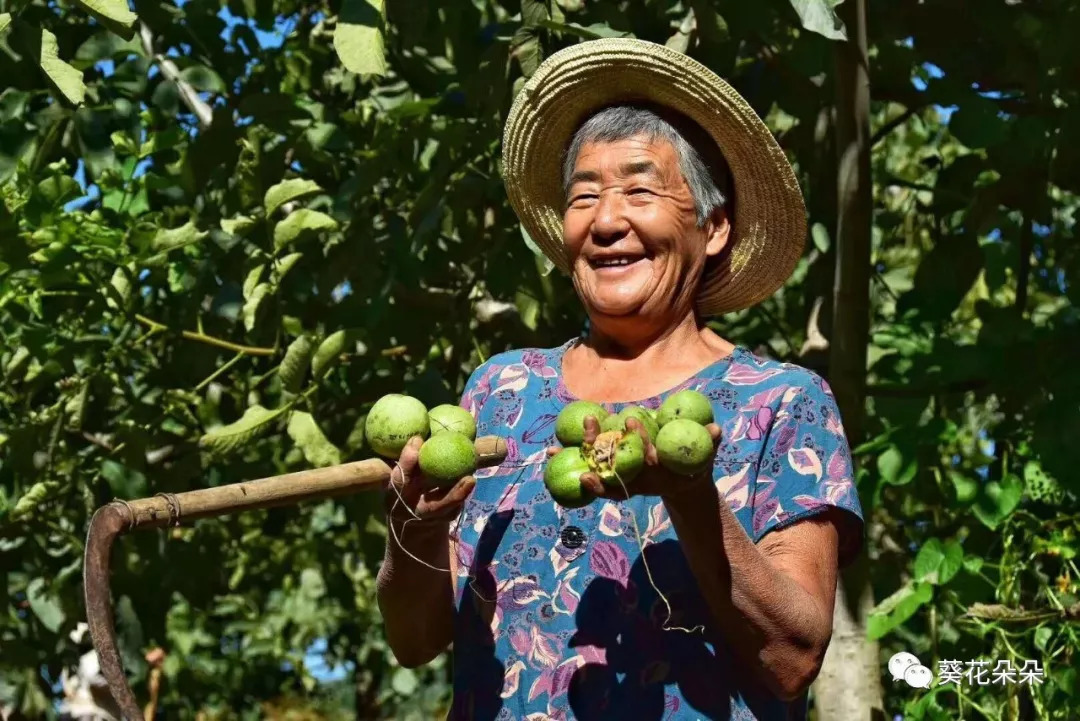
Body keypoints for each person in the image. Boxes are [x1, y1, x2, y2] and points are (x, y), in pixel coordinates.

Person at [376, 38, 864, 721]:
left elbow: (792, 658)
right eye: (584, 198)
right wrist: (415, 530)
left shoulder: (782, 403)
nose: (606, 222)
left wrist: (691, 499)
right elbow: (414, 640)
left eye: (640, 190)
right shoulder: (500, 393)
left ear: (714, 227)